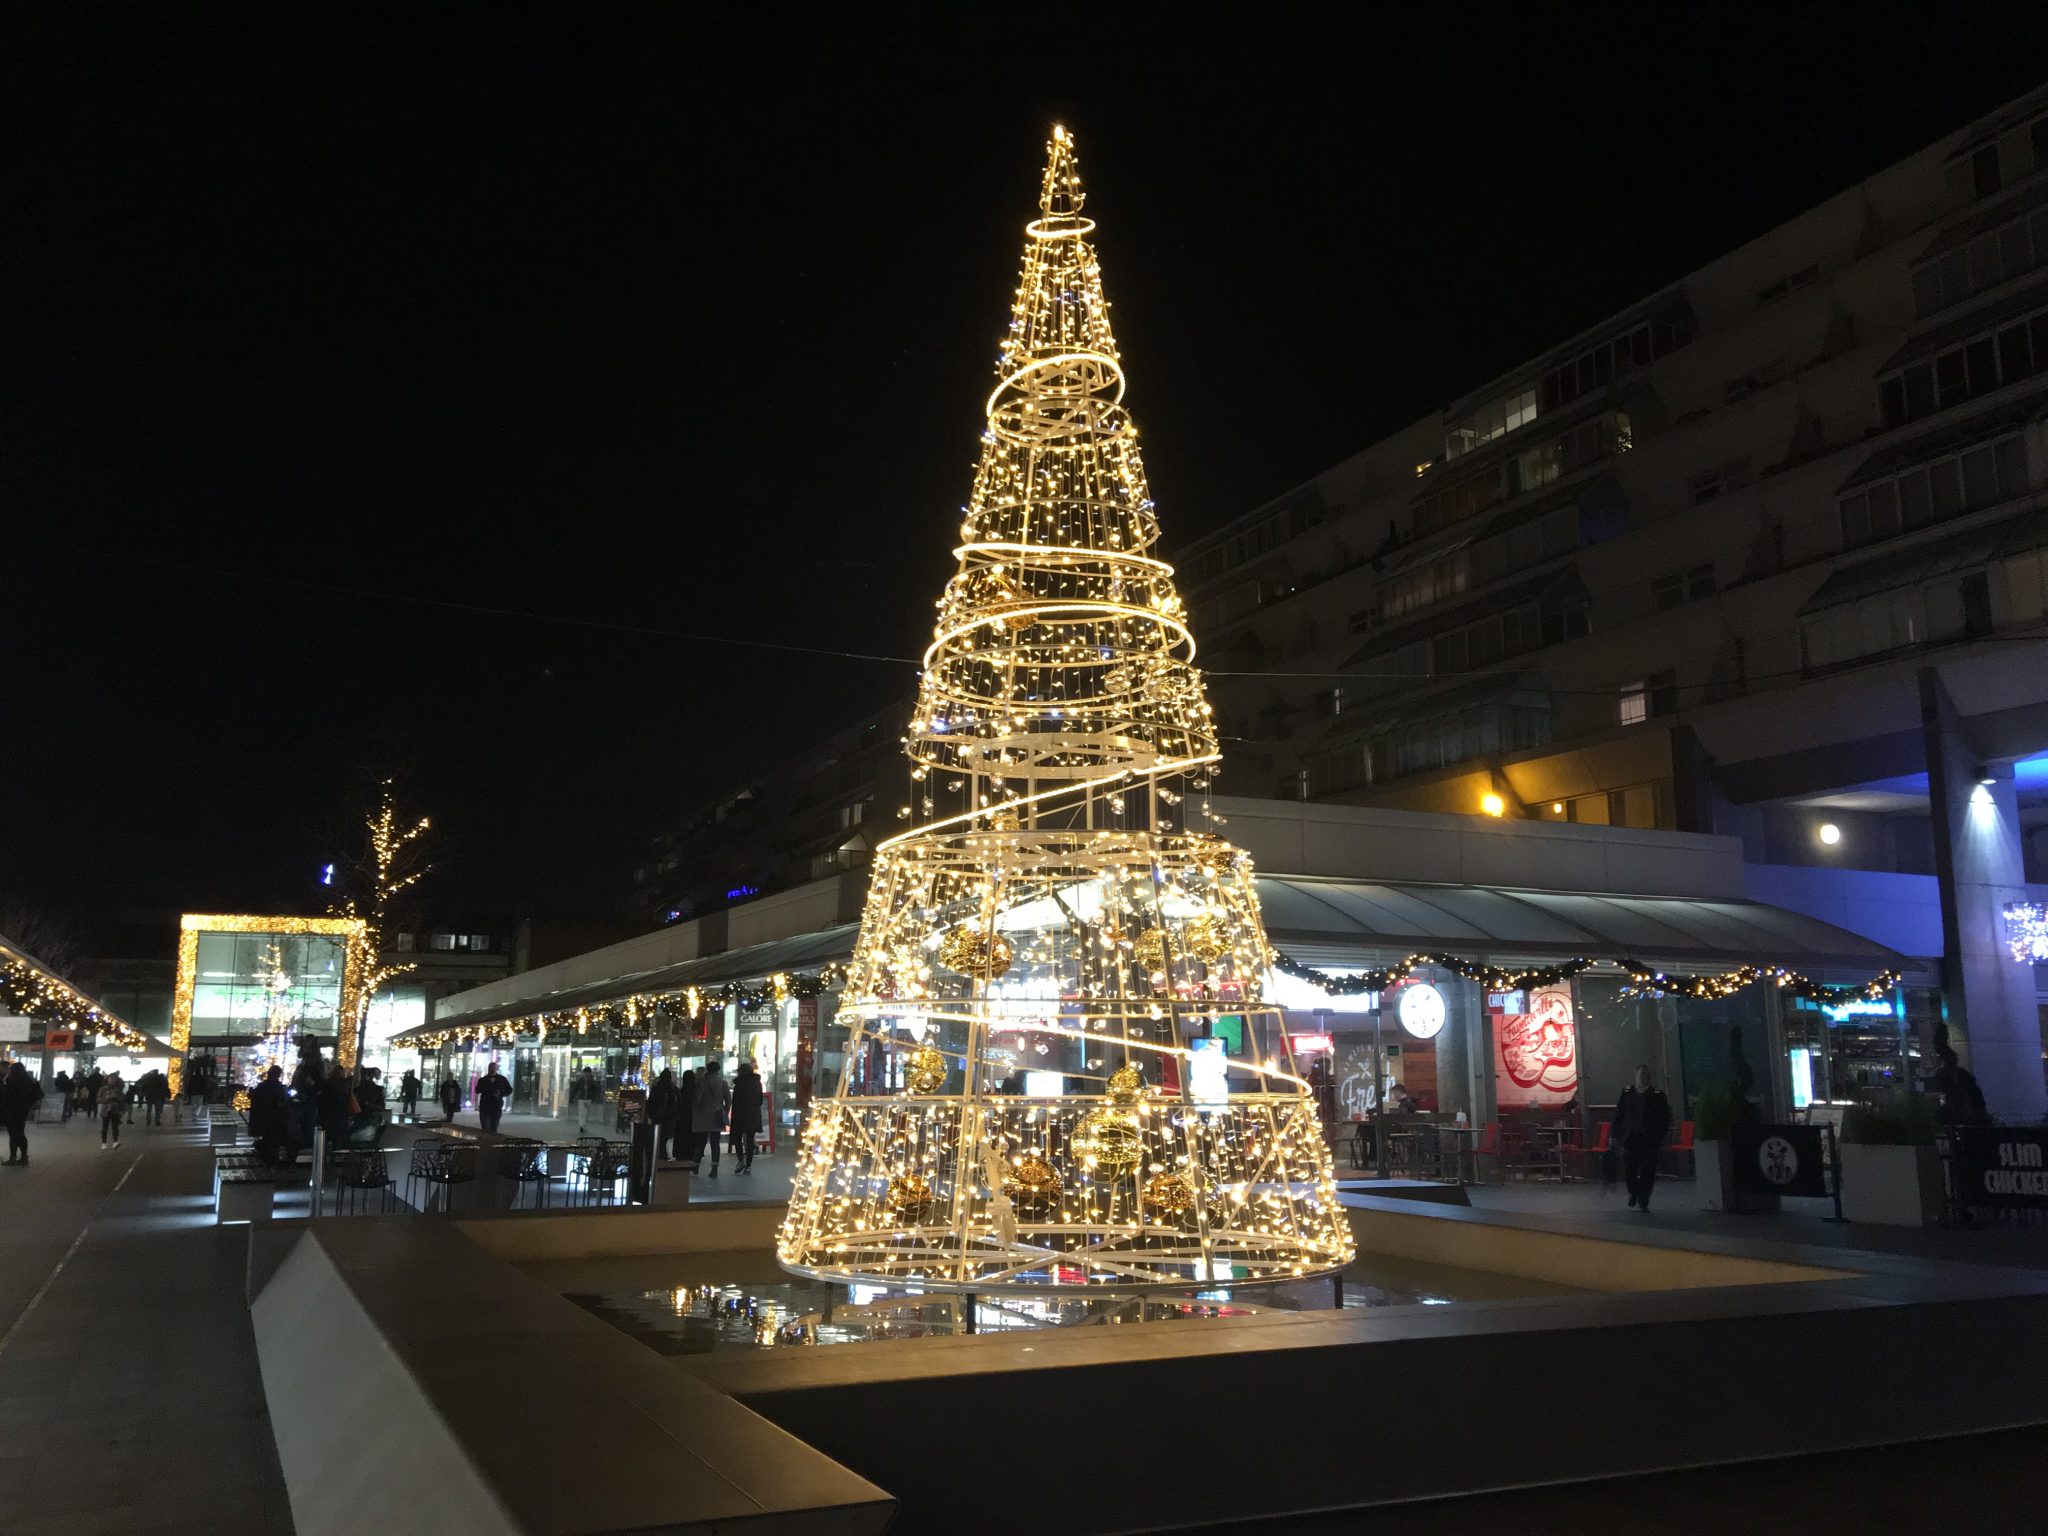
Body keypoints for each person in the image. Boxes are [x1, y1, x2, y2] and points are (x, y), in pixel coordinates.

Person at [1610, 1064, 1673, 1212]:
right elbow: (1619, 1115)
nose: (1643, 1077)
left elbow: (1664, 1118)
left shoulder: (1657, 1095)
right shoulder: (1627, 1093)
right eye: (1640, 1074)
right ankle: (1634, 1192)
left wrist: (1659, 1137)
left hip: (1649, 1140)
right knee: (1629, 1169)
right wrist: (1614, 1134)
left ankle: (1644, 1199)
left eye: (1645, 1074)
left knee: (1648, 1171)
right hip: (1630, 1138)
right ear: (1635, 1075)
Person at [688, 1059, 731, 1178]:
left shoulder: (701, 1082)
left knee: (700, 1142)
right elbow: (728, 1100)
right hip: (717, 1115)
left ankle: (696, 1165)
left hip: (702, 1115)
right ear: (718, 1070)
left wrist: (695, 1111)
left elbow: (697, 1099)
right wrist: (725, 1112)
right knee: (715, 1143)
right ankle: (714, 1168)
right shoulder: (722, 1083)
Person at [2, 1061, 44, 1165]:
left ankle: (13, 1158)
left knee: (14, 1134)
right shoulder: (28, 1080)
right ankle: (24, 1157)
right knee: (20, 1133)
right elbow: (37, 1094)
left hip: (11, 1111)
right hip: (23, 1110)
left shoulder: (11, 1080)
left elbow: (5, 1095)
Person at [248, 1064, 291, 1165]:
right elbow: (283, 1104)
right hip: (276, 1121)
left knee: (269, 1140)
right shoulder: (279, 1088)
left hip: (263, 1120)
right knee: (273, 1141)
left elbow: (253, 1097)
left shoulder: (262, 1086)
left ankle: (267, 1157)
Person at [729, 1061, 764, 1175]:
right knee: (750, 1140)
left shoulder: (739, 1084)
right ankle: (748, 1165)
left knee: (737, 1138)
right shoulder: (757, 1083)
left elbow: (736, 1101)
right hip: (753, 1114)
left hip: (739, 1115)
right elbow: (760, 1100)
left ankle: (741, 1160)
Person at [649, 1068, 683, 1163]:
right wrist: (677, 1115)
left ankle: (659, 1154)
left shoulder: (656, 1089)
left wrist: (651, 1114)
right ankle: (666, 1154)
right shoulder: (674, 1089)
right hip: (670, 1117)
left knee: (658, 1136)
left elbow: (651, 1103)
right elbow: (679, 1104)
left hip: (658, 1116)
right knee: (667, 1137)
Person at [475, 1060, 512, 1134]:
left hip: (496, 1107)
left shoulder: (502, 1079)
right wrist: (486, 1089)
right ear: (488, 1069)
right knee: (485, 1128)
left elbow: (509, 1090)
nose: (492, 1070)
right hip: (485, 1106)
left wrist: (501, 1093)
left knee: (493, 1128)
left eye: (493, 1068)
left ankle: (491, 1143)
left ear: (496, 1069)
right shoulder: (483, 1080)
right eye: (490, 1068)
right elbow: (477, 1090)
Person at [98, 1071, 127, 1149]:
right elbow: (98, 1099)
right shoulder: (102, 1089)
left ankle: (115, 1141)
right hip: (105, 1110)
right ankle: (104, 1143)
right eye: (111, 1079)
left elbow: (122, 1099)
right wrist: (105, 1099)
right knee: (105, 1127)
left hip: (115, 1109)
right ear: (108, 1079)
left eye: (114, 1079)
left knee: (115, 1126)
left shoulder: (118, 1090)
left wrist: (117, 1098)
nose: (112, 1080)